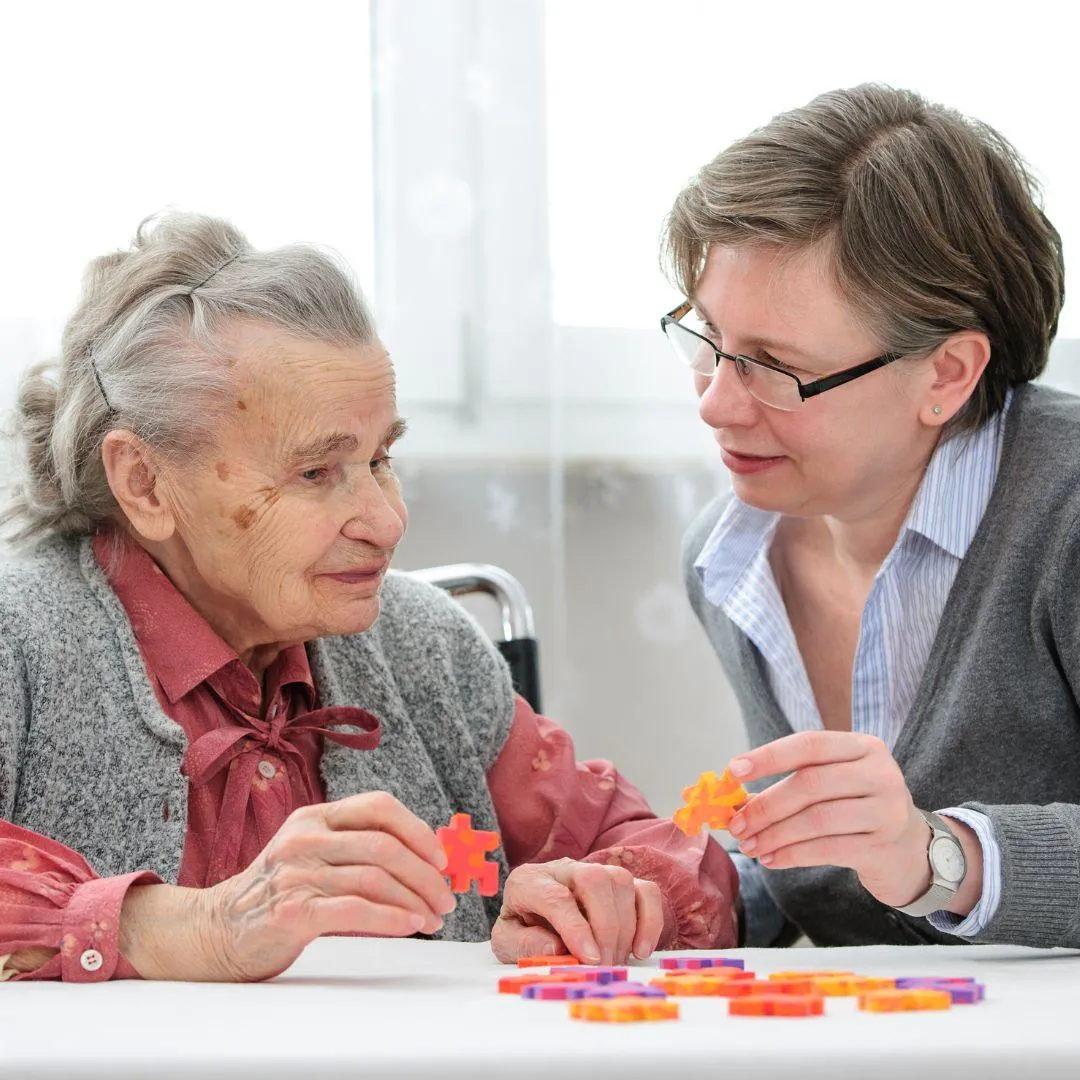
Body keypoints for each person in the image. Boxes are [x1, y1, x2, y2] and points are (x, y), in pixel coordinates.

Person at [0, 213, 737, 984]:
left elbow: (674, 861)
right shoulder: (19, 644)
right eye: (317, 473)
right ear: (144, 483)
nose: (388, 522)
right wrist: (193, 927)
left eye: (382, 458)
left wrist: (604, 899)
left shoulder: (425, 648)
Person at [661, 84, 1076, 948]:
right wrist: (679, 895)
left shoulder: (1064, 519)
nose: (716, 405)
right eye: (709, 343)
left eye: (775, 367)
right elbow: (831, 881)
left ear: (947, 374)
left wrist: (939, 854)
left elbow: (904, 862)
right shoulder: (729, 557)